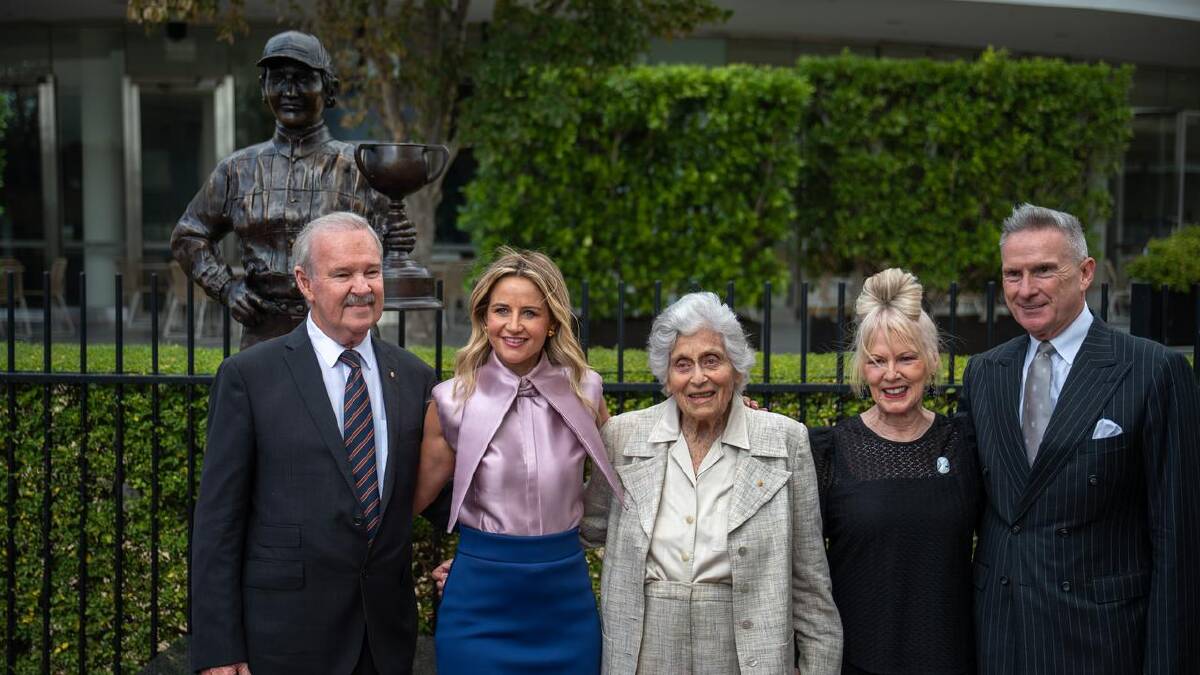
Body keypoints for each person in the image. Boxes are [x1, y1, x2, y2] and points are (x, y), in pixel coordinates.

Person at [958, 203, 1200, 674]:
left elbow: (1179, 540)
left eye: (1044, 270)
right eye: (1013, 274)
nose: (1026, 290)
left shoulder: (1153, 371)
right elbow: (952, 481)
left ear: (1086, 272)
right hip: (1000, 640)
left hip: (1102, 643)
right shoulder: (985, 373)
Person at [190, 212, 434, 675]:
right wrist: (219, 647)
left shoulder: (414, 377)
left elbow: (433, 493)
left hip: (384, 643)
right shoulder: (250, 377)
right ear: (305, 282)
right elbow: (219, 523)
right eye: (343, 274)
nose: (362, 287)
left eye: (372, 272)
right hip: (284, 642)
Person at [580, 292, 843, 674]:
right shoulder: (623, 437)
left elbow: (810, 583)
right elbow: (581, 530)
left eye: (711, 360)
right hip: (644, 650)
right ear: (667, 378)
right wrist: (479, 559)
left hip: (746, 650)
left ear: (735, 369)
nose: (698, 377)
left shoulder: (785, 440)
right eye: (682, 364)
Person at [412, 248, 622, 674]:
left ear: (550, 324)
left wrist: (736, 414)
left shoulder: (586, 390)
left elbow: (635, 460)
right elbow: (410, 503)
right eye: (501, 310)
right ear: (483, 318)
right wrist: (473, 558)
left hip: (565, 600)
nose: (513, 325)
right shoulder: (451, 401)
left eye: (529, 313)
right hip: (479, 603)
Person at [171, 30, 410, 348]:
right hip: (264, 333)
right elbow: (188, 235)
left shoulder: (362, 167)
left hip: (345, 333)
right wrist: (227, 288)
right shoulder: (237, 170)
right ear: (263, 87)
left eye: (303, 79)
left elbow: (389, 248)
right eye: (278, 79)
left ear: (329, 89)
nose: (289, 91)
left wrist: (398, 240)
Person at [808, 268, 981, 675]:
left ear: (932, 361)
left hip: (951, 659)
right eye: (876, 361)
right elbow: (804, 572)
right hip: (856, 661)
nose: (891, 374)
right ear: (861, 369)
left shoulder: (964, 444)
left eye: (906, 358)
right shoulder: (830, 450)